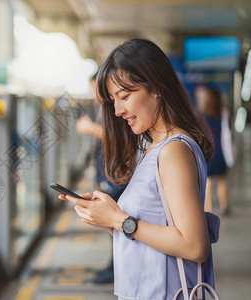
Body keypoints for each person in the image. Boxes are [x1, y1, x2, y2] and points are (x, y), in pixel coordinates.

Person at [59, 39, 216, 299]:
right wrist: (108, 217)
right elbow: (151, 231)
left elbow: (194, 245)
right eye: (113, 100)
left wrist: (120, 220)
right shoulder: (152, 146)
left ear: (156, 88)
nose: (118, 110)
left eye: (125, 96)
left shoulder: (173, 151)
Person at [75, 74, 126, 284]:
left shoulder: (113, 110)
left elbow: (116, 137)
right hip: (108, 174)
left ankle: (117, 269)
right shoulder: (103, 108)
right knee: (112, 226)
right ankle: (113, 267)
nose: (92, 94)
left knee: (115, 223)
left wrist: (90, 128)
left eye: (94, 89)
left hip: (116, 176)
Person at [195, 85, 230, 216]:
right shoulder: (222, 114)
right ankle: (224, 206)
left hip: (210, 151)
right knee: (222, 179)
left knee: (208, 181)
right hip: (221, 152)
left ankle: (208, 207)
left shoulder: (203, 116)